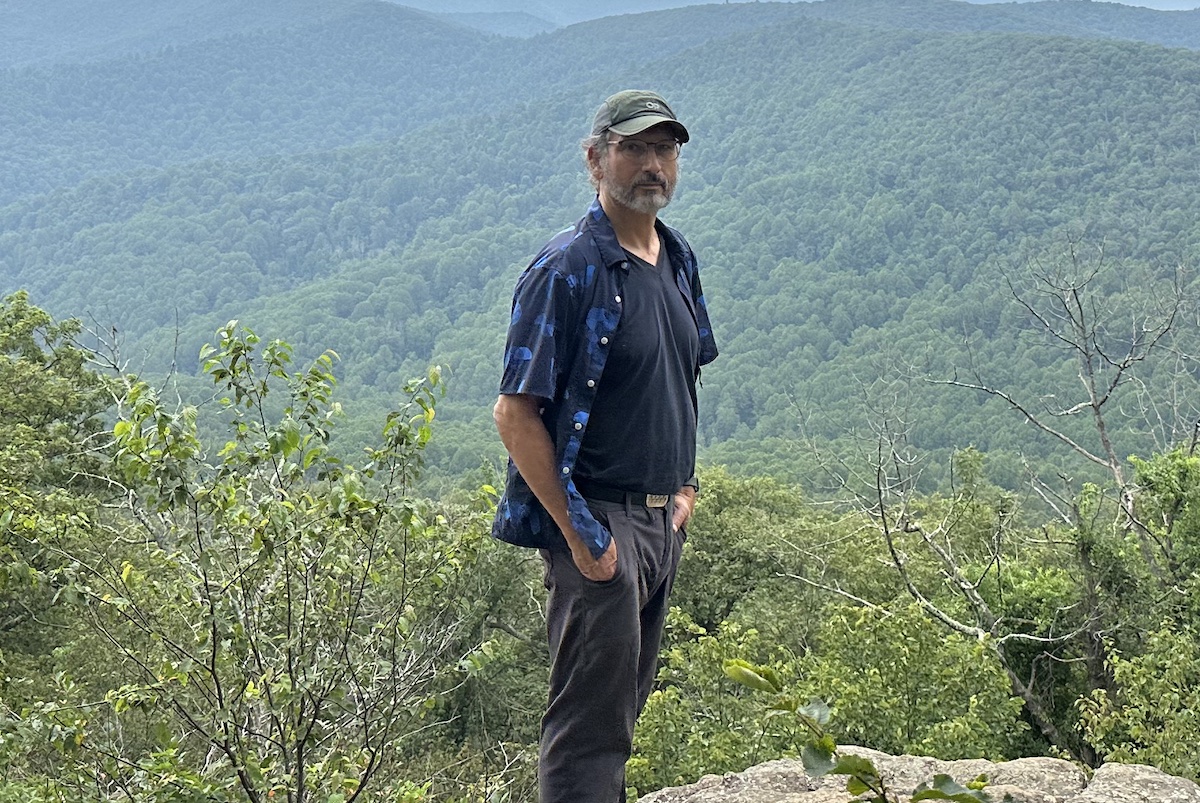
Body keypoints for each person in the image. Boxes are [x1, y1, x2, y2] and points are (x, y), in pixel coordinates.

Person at [491, 89, 718, 803]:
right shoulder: (569, 269)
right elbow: (515, 413)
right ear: (595, 159)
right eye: (634, 148)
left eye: (665, 149)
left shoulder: (676, 259)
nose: (653, 164)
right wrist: (581, 533)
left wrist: (684, 490)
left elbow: (680, 376)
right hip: (600, 521)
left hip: (657, 522)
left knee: (621, 710)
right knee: (588, 727)